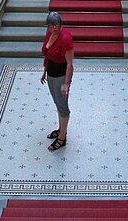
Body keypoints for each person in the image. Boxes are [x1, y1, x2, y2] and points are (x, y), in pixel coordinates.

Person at [39, 11, 74, 151]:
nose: (54, 28)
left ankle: (62, 138)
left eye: (57, 25)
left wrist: (66, 83)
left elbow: (69, 64)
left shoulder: (65, 38)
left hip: (60, 75)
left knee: (63, 107)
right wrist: (44, 72)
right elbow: (47, 54)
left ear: (61, 24)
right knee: (57, 103)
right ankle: (61, 129)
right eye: (51, 25)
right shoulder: (49, 34)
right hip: (51, 74)